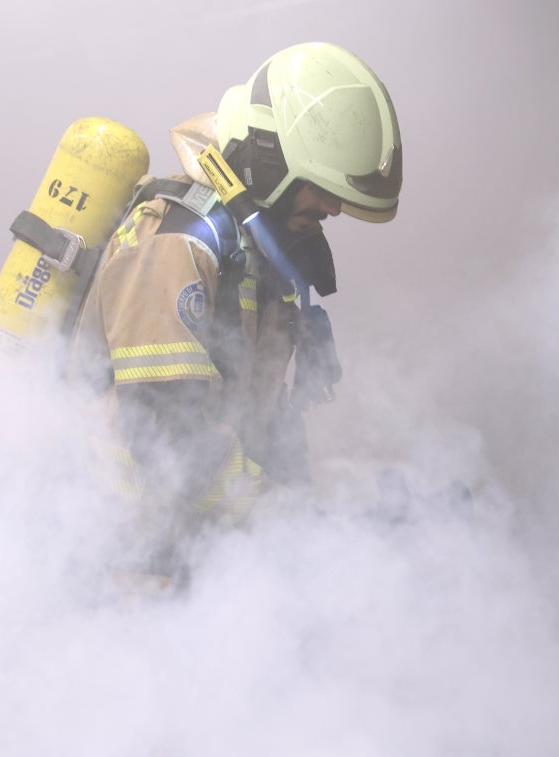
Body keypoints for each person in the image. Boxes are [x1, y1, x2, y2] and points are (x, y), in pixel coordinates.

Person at [66, 42, 403, 581]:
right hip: (124, 555)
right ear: (271, 162)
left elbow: (265, 414)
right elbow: (168, 438)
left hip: (204, 544)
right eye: (321, 188)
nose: (334, 208)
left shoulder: (259, 251)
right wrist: (285, 520)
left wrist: (307, 517)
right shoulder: (176, 242)